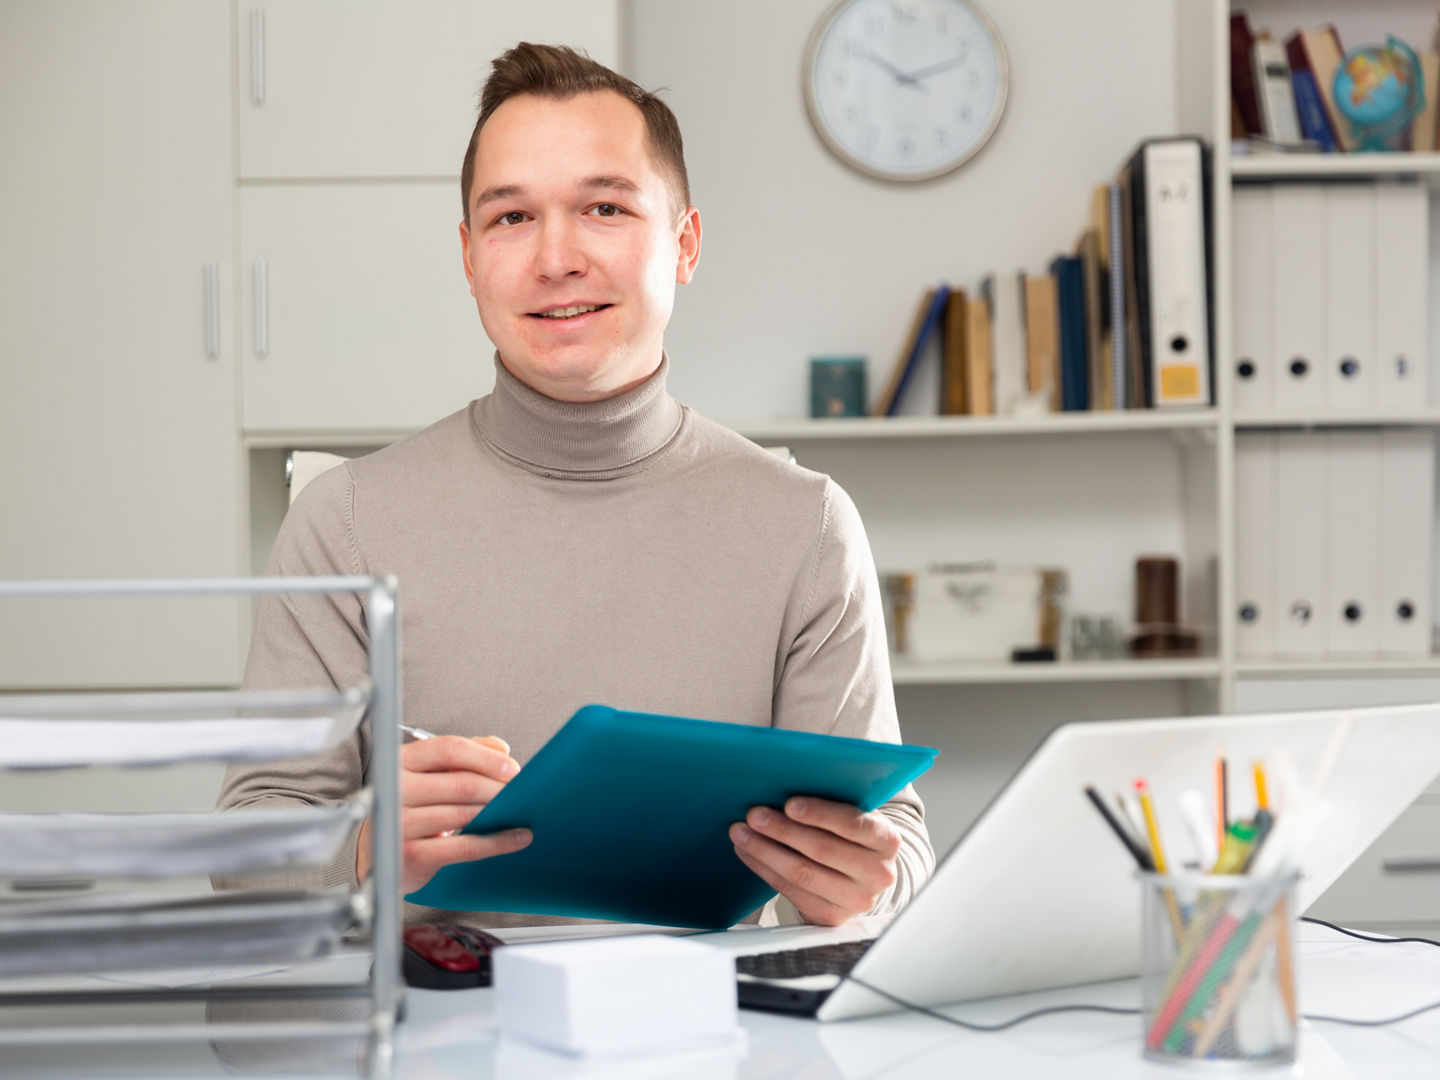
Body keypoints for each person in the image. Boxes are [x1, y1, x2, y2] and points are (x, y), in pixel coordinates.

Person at [219, 42, 934, 930]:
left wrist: (864, 882)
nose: (556, 258)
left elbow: (894, 841)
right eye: (512, 218)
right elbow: (244, 854)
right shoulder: (346, 522)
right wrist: (364, 849)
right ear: (470, 256)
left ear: (685, 244)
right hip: (434, 1045)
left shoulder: (806, 526)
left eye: (603, 207)